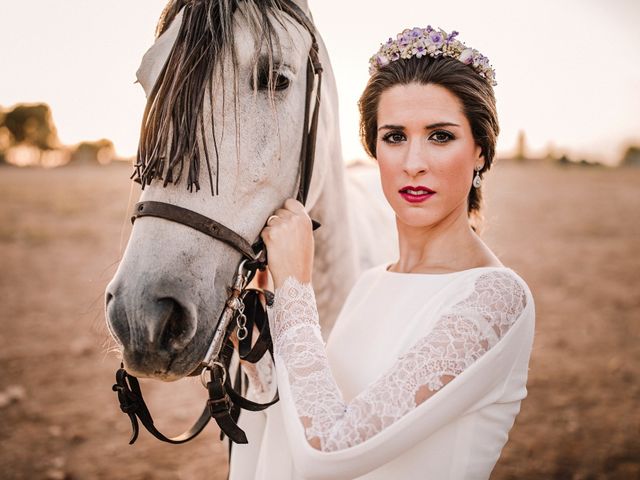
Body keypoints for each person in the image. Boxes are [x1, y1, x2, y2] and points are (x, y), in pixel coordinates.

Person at [230, 26, 535, 480]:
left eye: (440, 136)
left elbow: (328, 451)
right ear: (375, 150)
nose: (414, 162)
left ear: (480, 152)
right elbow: (303, 420)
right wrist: (257, 340)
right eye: (394, 137)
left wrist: (295, 289)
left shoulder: (495, 299)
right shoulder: (372, 282)